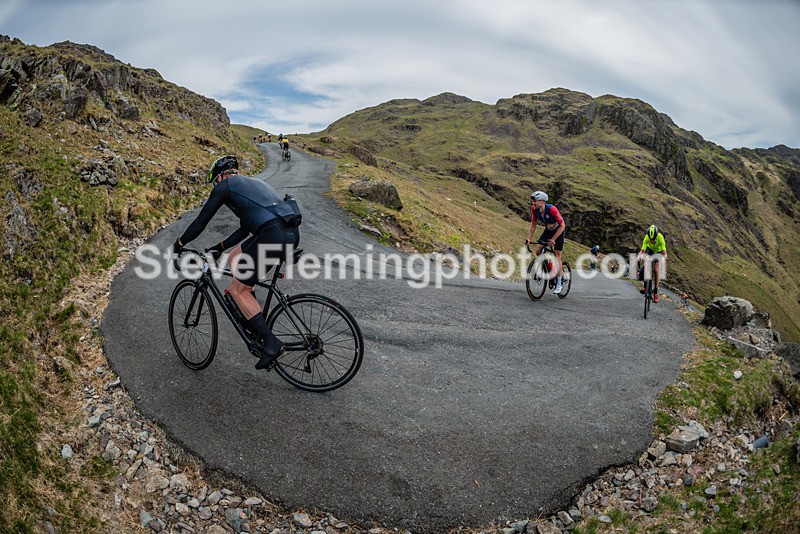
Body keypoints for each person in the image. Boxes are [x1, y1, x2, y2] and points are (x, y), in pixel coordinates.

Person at [172, 155, 301, 369]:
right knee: (234, 258)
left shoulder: (225, 186)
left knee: (237, 290)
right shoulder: (252, 185)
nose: (215, 187)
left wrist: (180, 243)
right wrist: (219, 248)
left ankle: (271, 343)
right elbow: (244, 230)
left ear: (220, 177)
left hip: (271, 236)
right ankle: (250, 312)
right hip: (288, 233)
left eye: (214, 182)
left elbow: (199, 223)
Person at [525, 190, 566, 294]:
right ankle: (547, 267)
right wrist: (529, 238)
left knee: (557, 256)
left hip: (559, 231)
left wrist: (554, 239)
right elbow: (533, 223)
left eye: (535, 201)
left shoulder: (552, 209)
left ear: (542, 201)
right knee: (538, 250)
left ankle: (559, 282)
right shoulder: (535, 209)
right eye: (533, 201)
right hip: (548, 230)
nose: (533, 203)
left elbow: (562, 226)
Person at [637, 225, 667, 303]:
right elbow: (642, 251)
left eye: (653, 239)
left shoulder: (660, 238)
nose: (652, 241)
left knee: (656, 269)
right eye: (651, 239)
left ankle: (656, 291)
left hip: (658, 252)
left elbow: (664, 253)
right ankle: (645, 286)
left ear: (656, 236)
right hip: (650, 250)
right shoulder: (647, 238)